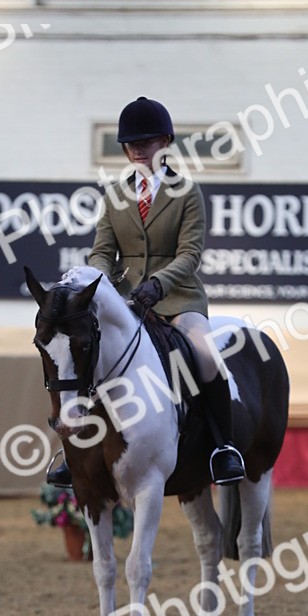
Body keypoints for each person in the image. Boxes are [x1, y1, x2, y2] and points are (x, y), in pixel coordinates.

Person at [47, 95, 245, 488]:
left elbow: (190, 253)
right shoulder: (115, 195)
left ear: (166, 141)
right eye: (132, 142)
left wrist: (159, 284)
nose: (139, 147)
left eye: (148, 140)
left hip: (177, 299)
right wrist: (100, 285)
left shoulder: (187, 192)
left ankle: (224, 447)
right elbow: (102, 251)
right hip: (125, 303)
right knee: (85, 357)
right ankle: (79, 454)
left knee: (206, 358)